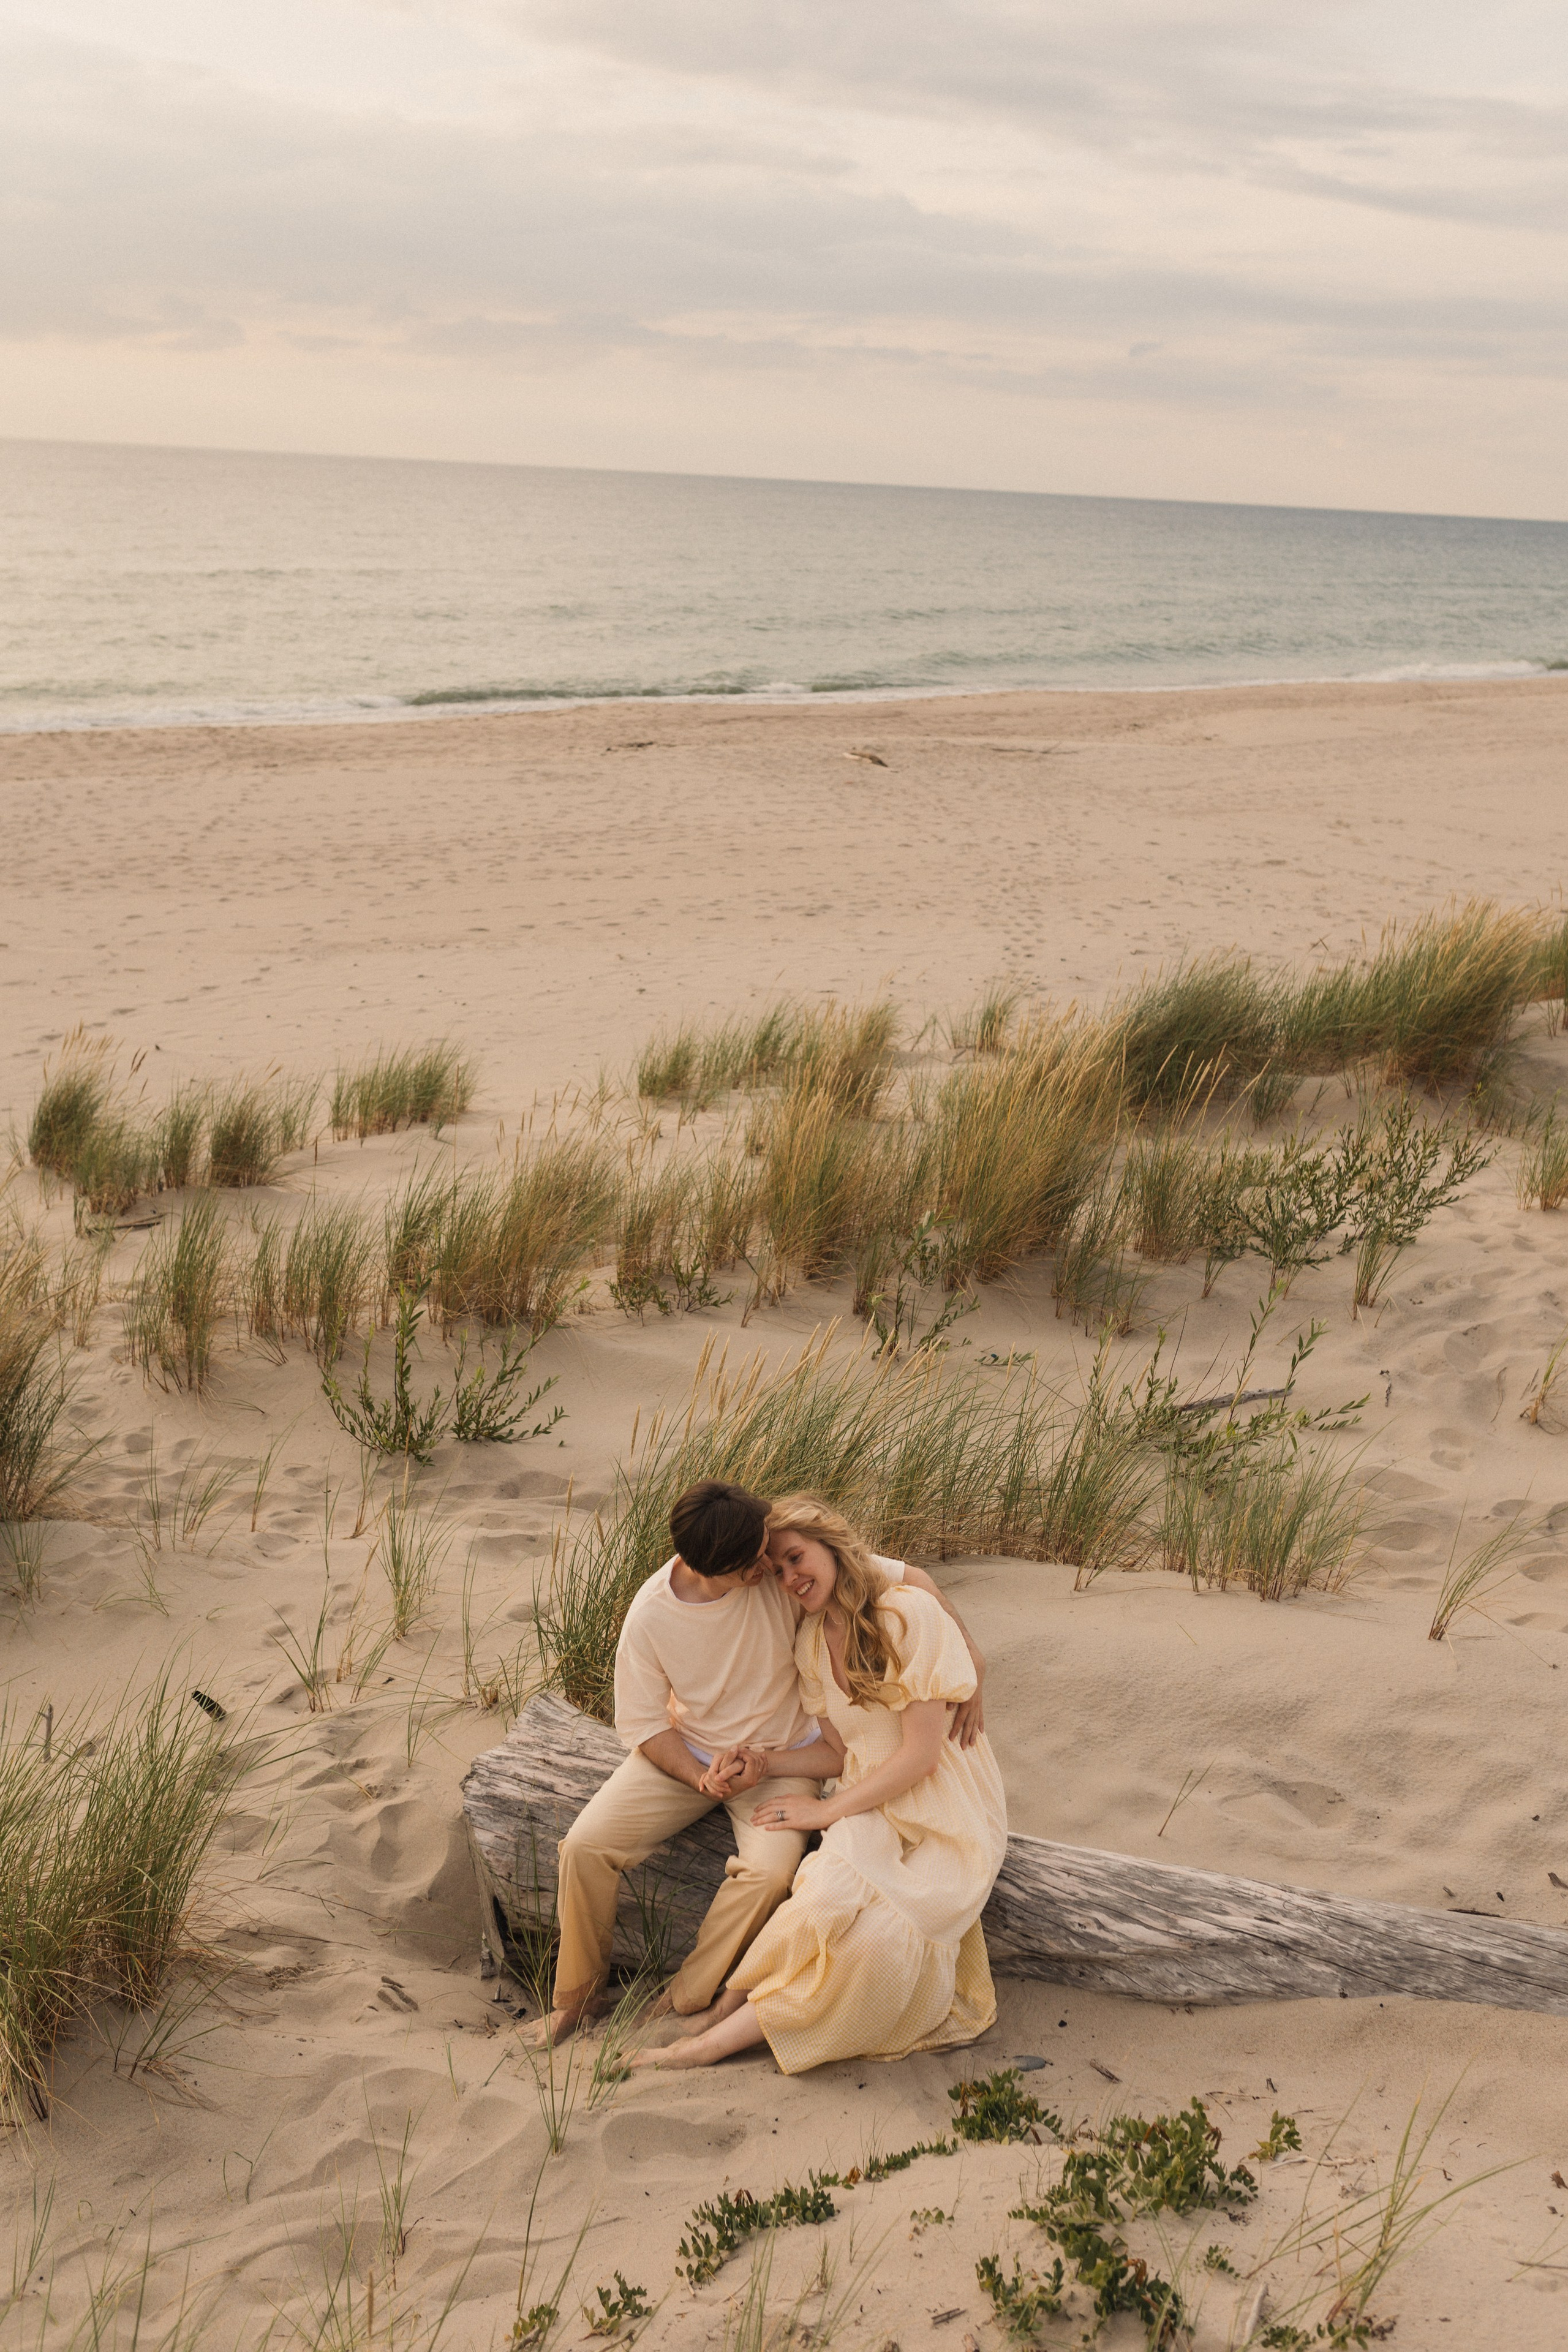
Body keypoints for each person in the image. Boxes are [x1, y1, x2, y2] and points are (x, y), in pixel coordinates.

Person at [525, 1478, 986, 2045]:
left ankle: (686, 1996)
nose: (767, 1572)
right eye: (750, 1566)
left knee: (768, 1876)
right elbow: (644, 1725)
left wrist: (972, 1662)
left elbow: (912, 1579)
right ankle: (577, 1997)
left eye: (767, 1556)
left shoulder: (776, 1565)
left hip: (787, 1761)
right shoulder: (651, 1617)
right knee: (584, 1846)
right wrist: (700, 1775)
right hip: (689, 1755)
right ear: (706, 1568)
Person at [631, 1494, 1008, 2075]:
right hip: (871, 1802)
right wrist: (764, 1763)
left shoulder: (909, 1616)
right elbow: (835, 1753)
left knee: (878, 1941)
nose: (789, 1578)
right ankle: (718, 2013)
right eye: (777, 1570)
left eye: (797, 1558)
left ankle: (707, 2048)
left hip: (943, 1812)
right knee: (818, 1902)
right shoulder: (810, 1643)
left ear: (832, 1545)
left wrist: (824, 1816)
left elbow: (921, 1758)